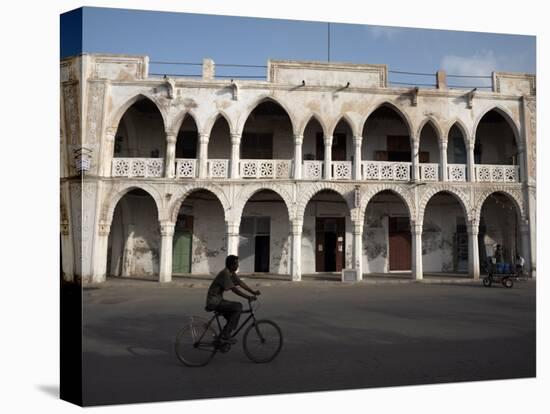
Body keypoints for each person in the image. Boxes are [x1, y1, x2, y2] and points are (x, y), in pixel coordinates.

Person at [205, 255, 260, 344]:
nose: (237, 266)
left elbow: (240, 283)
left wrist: (252, 292)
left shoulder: (231, 273)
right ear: (231, 265)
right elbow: (234, 289)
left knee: (232, 315)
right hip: (214, 301)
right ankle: (225, 335)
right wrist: (248, 297)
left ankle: (222, 337)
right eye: (236, 264)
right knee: (238, 307)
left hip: (218, 300)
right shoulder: (225, 273)